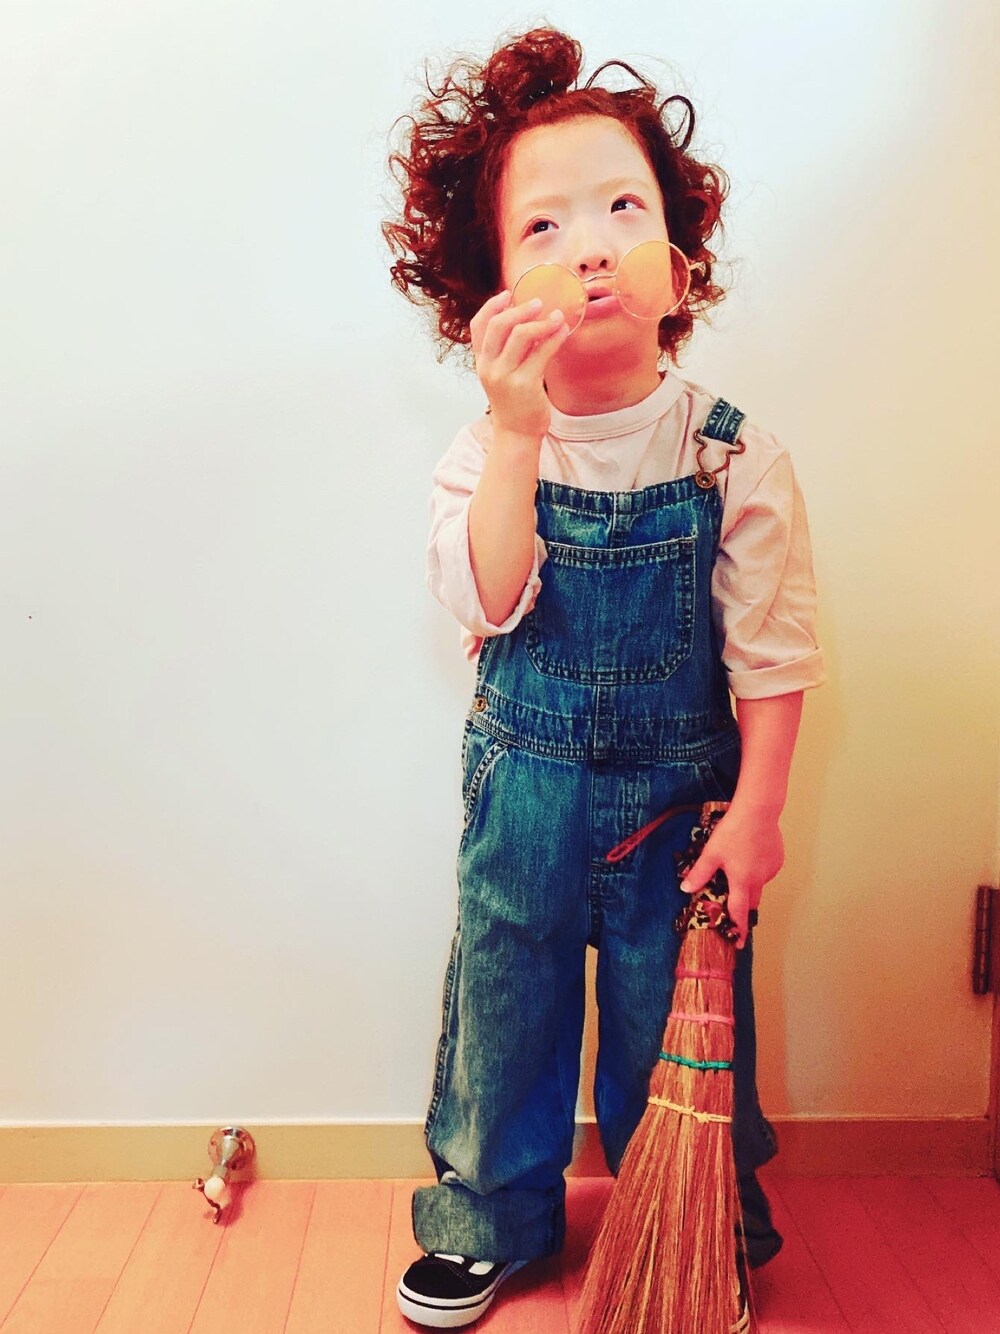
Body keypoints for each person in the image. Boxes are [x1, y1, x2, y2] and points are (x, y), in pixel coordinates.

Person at [382, 26, 824, 1330]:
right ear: (487, 297)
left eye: (623, 208)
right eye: (546, 225)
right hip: (525, 791)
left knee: (665, 1023)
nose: (590, 246)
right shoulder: (486, 452)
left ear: (678, 261)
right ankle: (488, 1217)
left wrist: (758, 813)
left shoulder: (733, 455)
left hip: (679, 809)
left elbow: (775, 652)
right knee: (504, 1006)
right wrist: (519, 430)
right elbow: (487, 596)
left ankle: (685, 1219)